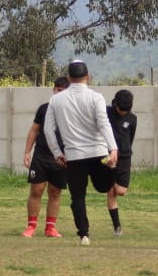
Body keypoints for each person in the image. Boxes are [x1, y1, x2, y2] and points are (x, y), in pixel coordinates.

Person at [43, 60, 118, 246]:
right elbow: (103, 123)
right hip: (98, 151)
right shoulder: (96, 97)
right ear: (88, 76)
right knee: (104, 186)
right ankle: (110, 169)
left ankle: (84, 234)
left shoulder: (56, 100)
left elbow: (48, 130)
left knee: (78, 196)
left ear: (68, 78)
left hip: (74, 155)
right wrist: (113, 148)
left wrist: (57, 153)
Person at [21, 77, 69, 238]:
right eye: (56, 89)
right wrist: (27, 152)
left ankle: (50, 228)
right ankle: (31, 226)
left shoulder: (71, 111)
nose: (57, 92)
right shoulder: (44, 109)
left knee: (55, 192)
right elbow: (34, 131)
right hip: (41, 155)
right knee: (36, 190)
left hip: (61, 157)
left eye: (61, 90)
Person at [105, 89, 137, 236]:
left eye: (127, 110)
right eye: (121, 110)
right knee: (111, 191)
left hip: (124, 157)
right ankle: (117, 226)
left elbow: (130, 138)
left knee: (121, 191)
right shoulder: (105, 113)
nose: (124, 113)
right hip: (107, 156)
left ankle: (112, 184)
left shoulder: (132, 119)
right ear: (115, 104)